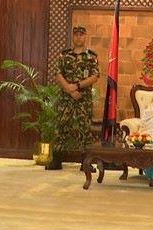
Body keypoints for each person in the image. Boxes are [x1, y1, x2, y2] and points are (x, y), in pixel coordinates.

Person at [49, 25, 99, 170]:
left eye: (81, 34)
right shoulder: (64, 55)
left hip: (83, 98)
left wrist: (77, 86)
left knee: (85, 129)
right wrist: (69, 90)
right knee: (61, 127)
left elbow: (95, 76)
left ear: (85, 36)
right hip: (66, 98)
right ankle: (56, 161)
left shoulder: (91, 56)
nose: (78, 37)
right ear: (73, 37)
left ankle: (86, 163)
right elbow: (58, 74)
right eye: (76, 34)